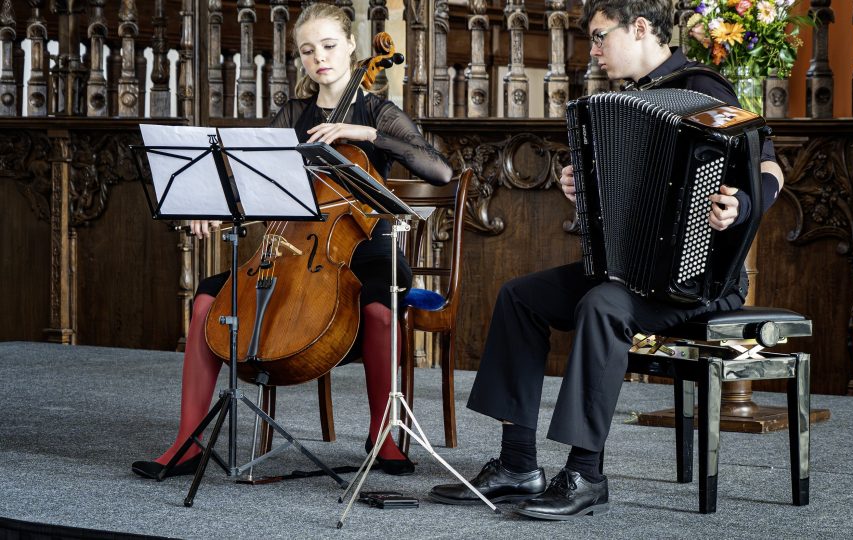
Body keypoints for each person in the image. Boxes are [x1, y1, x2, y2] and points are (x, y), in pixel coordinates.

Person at [429, 0, 784, 520]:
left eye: (599, 38)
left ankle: (585, 474)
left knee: (601, 305)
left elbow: (772, 168)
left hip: (697, 280)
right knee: (519, 296)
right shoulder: (621, 100)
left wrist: (743, 205)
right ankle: (517, 465)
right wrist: (582, 186)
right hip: (630, 274)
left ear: (639, 28)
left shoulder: (707, 90)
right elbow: (619, 192)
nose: (593, 53)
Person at [132, 3, 452, 480]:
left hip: (368, 244)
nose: (319, 57)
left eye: (327, 45)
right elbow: (253, 184)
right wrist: (211, 208)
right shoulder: (293, 114)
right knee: (206, 299)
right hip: (294, 246)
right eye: (307, 50)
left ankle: (382, 435)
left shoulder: (376, 110)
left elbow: (439, 170)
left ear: (349, 46)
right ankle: (187, 440)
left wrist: (363, 132)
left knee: (380, 309)